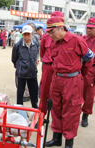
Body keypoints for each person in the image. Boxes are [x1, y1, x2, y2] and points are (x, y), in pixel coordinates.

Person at [45, 17, 94, 148]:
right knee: (56, 108)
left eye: (52, 32)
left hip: (72, 80)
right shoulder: (53, 42)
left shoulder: (77, 40)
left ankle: (68, 142)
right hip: (57, 79)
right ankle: (56, 138)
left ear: (61, 28)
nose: (50, 35)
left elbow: (88, 60)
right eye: (48, 32)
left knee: (71, 111)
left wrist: (78, 76)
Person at [38, 11, 64, 116]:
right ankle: (42, 116)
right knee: (44, 92)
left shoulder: (69, 38)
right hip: (48, 67)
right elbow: (42, 52)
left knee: (60, 95)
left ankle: (58, 118)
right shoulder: (45, 37)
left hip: (62, 70)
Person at [12, 25, 39, 108]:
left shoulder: (35, 44)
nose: (27, 36)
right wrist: (19, 67)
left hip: (32, 73)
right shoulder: (17, 45)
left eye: (28, 34)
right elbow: (14, 59)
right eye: (25, 34)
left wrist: (34, 62)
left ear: (32, 34)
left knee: (34, 93)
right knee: (20, 93)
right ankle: (20, 111)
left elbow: (36, 54)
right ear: (22, 35)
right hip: (21, 73)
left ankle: (34, 109)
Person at [81, 17, 95, 127]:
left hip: (92, 71)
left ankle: (85, 115)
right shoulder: (82, 39)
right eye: (87, 28)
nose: (88, 30)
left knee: (89, 95)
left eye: (91, 28)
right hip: (80, 68)